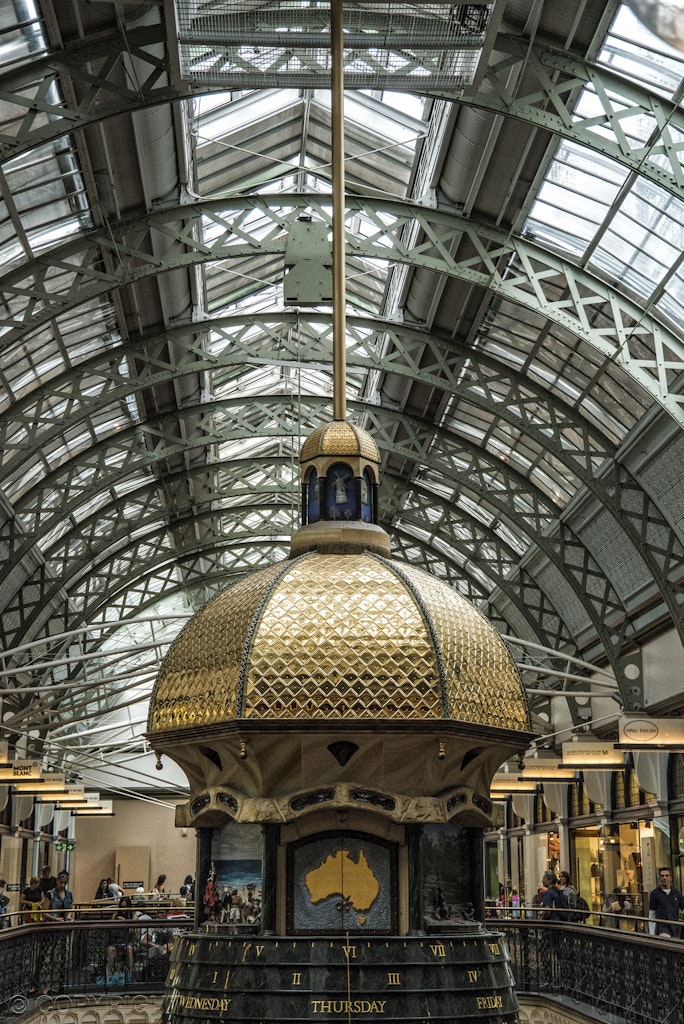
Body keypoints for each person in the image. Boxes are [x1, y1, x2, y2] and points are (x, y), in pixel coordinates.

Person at [649, 866, 683, 938]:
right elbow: (652, 913)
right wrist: (651, 933)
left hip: (675, 927)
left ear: (670, 878)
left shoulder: (676, 893)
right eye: (662, 876)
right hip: (662, 928)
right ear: (659, 878)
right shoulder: (655, 894)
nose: (664, 878)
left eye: (667, 876)